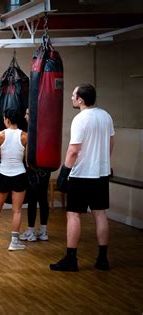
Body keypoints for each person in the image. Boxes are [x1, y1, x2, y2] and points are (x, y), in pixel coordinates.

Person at [50, 83, 114, 272]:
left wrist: (64, 173)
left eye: (73, 95)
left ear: (81, 100)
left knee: (73, 214)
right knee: (100, 213)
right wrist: (102, 162)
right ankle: (102, 259)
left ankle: (71, 259)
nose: (71, 98)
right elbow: (111, 143)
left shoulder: (80, 119)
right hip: (101, 174)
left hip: (82, 175)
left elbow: (73, 150)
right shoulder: (106, 116)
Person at [0, 108, 28, 251]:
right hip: (20, 174)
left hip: (4, 175)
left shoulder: (0, 135)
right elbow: (26, 160)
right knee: (17, 211)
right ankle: (14, 242)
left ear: (7, 120)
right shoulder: (25, 136)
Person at [20, 108, 51, 242]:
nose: (25, 116)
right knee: (43, 198)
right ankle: (43, 231)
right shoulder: (46, 131)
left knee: (33, 199)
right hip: (45, 168)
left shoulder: (32, 133)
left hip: (34, 169)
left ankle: (31, 231)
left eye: (27, 114)